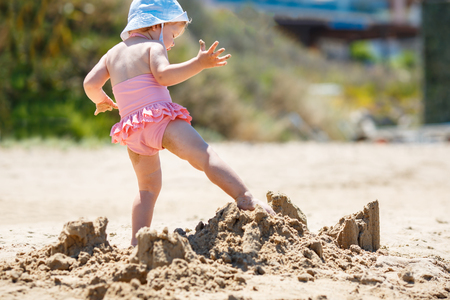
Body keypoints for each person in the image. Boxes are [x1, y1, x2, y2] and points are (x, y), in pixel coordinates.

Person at [83, 0, 275, 246]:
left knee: (147, 189)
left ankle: (136, 242)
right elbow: (163, 75)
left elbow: (90, 84)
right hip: (159, 120)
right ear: (157, 25)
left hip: (132, 130)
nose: (172, 43)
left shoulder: (112, 53)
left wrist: (101, 101)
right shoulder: (153, 47)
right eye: (173, 34)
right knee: (205, 156)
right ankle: (245, 197)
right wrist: (199, 64)